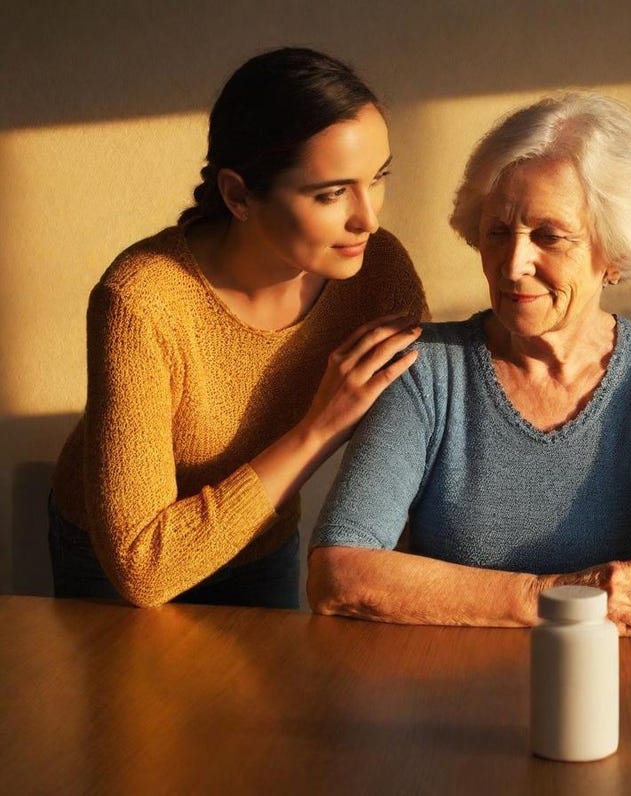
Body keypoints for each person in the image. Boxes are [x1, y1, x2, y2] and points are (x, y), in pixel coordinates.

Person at [308, 93, 631, 636]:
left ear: (612, 252)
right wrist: (560, 596)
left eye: (549, 236)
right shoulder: (424, 369)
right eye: (498, 232)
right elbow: (338, 574)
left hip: (619, 690)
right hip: (442, 684)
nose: (514, 264)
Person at [48, 47, 427, 609]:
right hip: (114, 562)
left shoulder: (379, 272)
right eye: (331, 193)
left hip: (258, 545)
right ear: (238, 195)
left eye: (378, 179)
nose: (367, 218)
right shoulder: (141, 301)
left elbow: (421, 435)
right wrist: (316, 431)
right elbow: (142, 568)